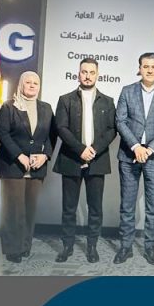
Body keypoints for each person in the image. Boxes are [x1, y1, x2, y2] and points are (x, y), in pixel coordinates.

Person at [114, 52, 154, 265]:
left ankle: (150, 248)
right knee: (127, 205)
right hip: (129, 155)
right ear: (139, 68)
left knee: (153, 207)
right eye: (145, 66)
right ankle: (125, 247)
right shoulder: (127, 91)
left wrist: (149, 150)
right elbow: (120, 121)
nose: (149, 70)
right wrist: (135, 147)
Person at [53, 58, 117, 264]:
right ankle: (67, 246)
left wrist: (94, 149)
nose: (87, 76)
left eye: (91, 72)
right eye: (84, 72)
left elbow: (112, 130)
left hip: (97, 160)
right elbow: (61, 128)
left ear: (97, 74)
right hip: (71, 159)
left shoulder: (108, 101)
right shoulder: (65, 99)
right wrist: (81, 150)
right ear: (78, 74)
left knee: (95, 208)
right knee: (69, 207)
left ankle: (92, 247)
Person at [0, 71, 53, 263]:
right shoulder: (8, 107)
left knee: (29, 210)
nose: (32, 85)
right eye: (28, 82)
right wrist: (19, 155)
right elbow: (3, 134)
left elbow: (51, 136)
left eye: (35, 83)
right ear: (21, 84)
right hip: (13, 166)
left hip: (36, 168)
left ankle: (25, 245)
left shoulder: (46, 108)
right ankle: (13, 249)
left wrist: (45, 155)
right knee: (14, 211)